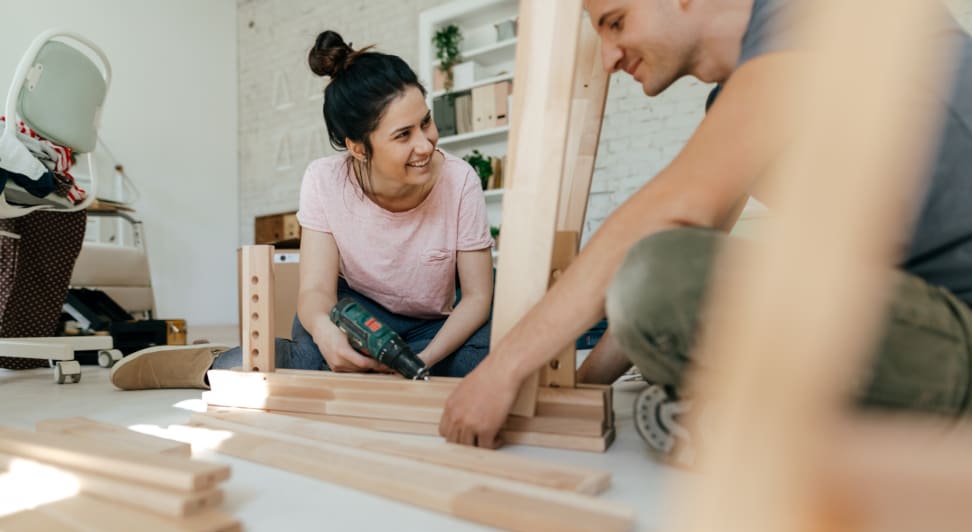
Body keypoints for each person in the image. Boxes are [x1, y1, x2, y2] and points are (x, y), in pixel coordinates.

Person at [438, 0, 972, 451]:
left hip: (958, 324)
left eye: (616, 22)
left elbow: (676, 215)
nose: (608, 56)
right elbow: (690, 243)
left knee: (658, 271)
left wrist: (500, 371)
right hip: (915, 316)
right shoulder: (740, 97)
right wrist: (579, 397)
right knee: (668, 278)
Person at [110, 31, 494, 390]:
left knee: (492, 354)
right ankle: (213, 362)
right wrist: (328, 336)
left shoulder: (459, 181)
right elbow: (315, 292)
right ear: (358, 148)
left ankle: (360, 371)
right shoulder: (324, 181)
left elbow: (477, 297)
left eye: (424, 121)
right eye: (402, 135)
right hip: (359, 315)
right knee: (312, 356)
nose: (426, 144)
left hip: (433, 325)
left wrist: (421, 362)